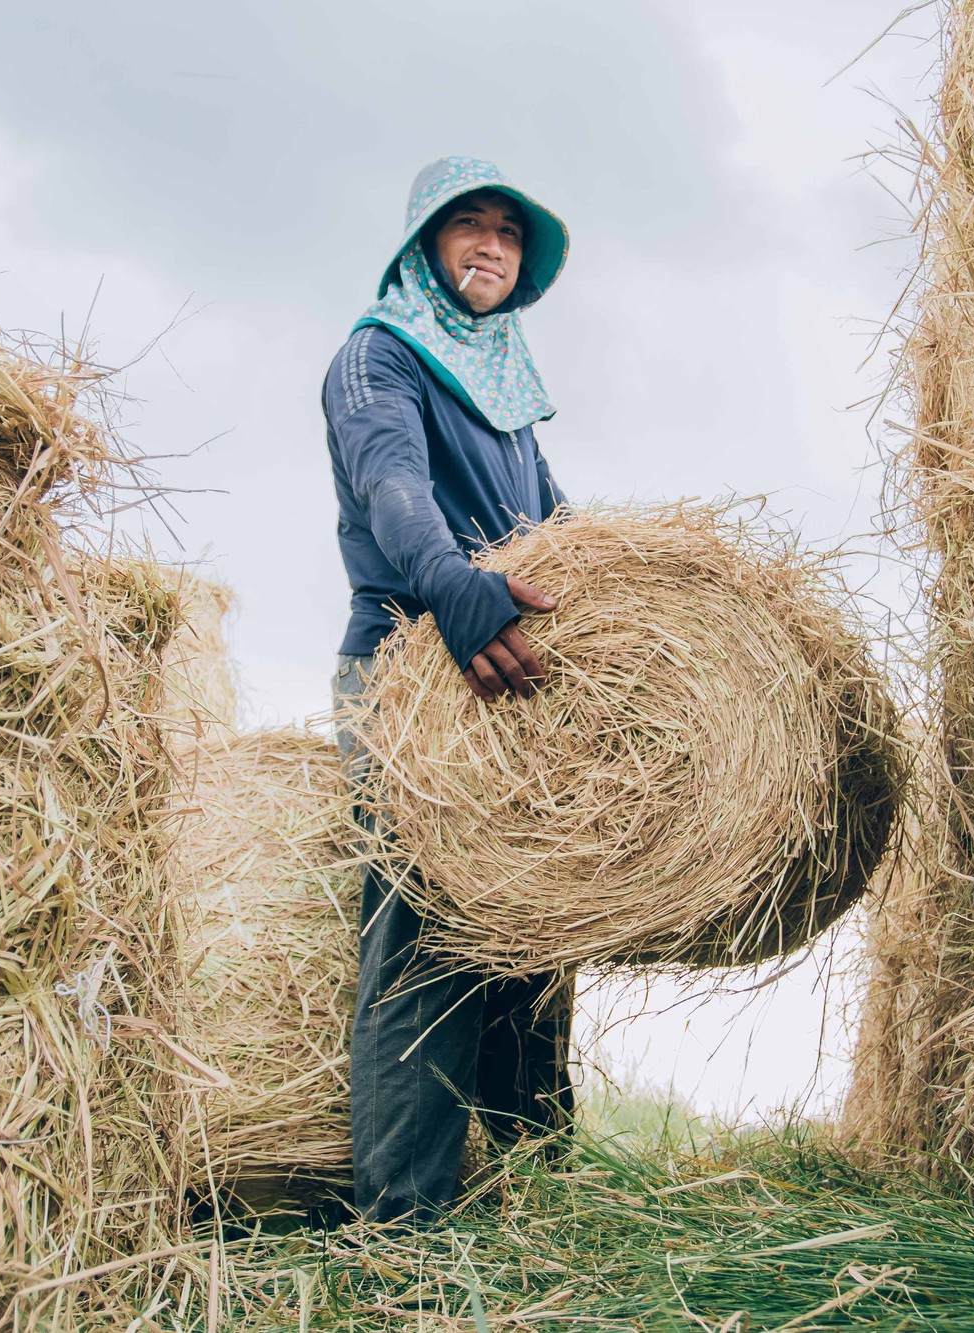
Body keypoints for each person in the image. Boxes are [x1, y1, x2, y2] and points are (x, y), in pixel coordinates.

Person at [322, 156, 574, 1224]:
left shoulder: (507, 392)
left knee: (532, 926)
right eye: (466, 227)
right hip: (406, 665)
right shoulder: (379, 356)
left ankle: (537, 1186)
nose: (490, 247)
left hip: (496, 678)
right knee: (423, 929)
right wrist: (452, 590)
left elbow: (561, 532)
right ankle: (402, 1222)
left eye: (507, 235)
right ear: (424, 246)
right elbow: (393, 492)